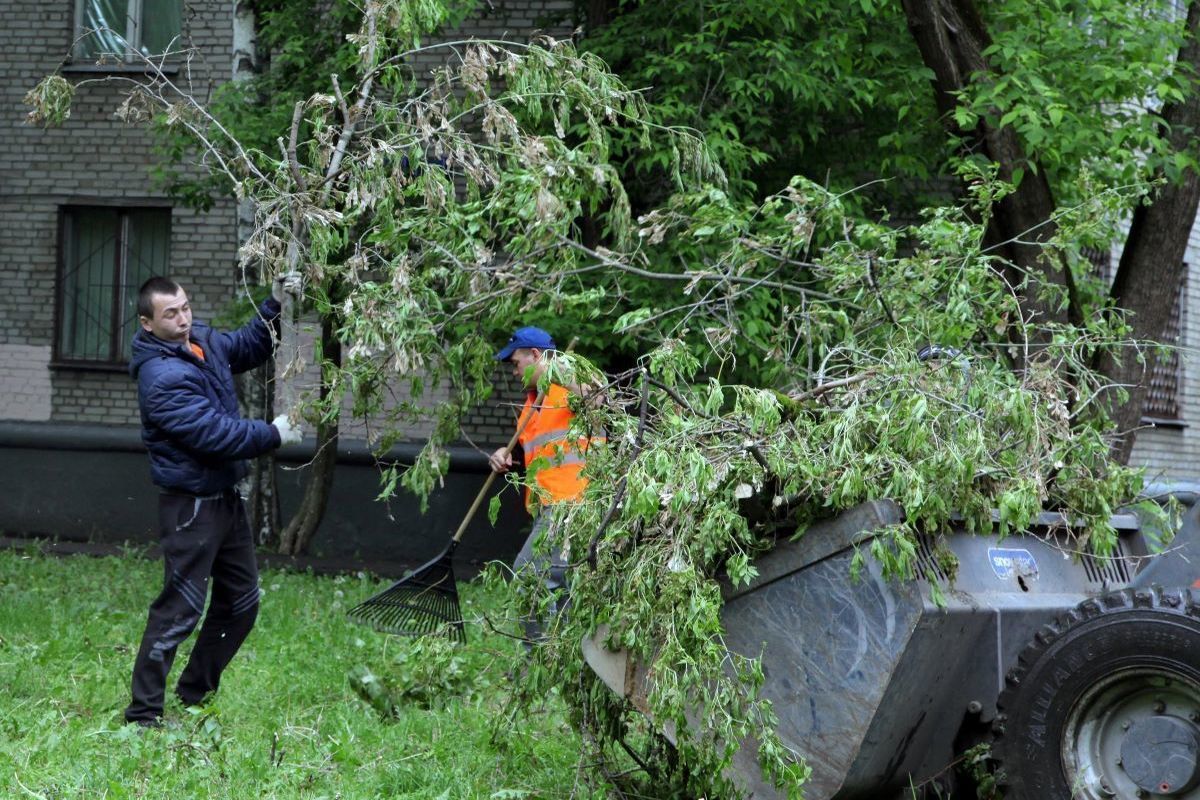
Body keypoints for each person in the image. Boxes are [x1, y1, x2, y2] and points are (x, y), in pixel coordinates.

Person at [123, 274, 303, 727]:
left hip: (224, 498)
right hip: (190, 507)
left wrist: (276, 304)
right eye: (171, 314)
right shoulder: (160, 377)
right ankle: (143, 714)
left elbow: (246, 346)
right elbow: (214, 435)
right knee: (179, 610)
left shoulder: (200, 339)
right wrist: (273, 433)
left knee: (241, 603)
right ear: (147, 323)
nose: (183, 318)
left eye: (185, 307)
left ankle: (194, 695)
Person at [488, 326, 601, 641]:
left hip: (572, 507)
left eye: (516, 363)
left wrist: (560, 372)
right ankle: (562, 666)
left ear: (536, 355)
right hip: (547, 509)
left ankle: (536, 661)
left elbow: (600, 398)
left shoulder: (571, 386)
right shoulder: (530, 405)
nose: (514, 372)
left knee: (528, 579)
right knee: (563, 591)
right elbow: (539, 455)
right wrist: (502, 455)